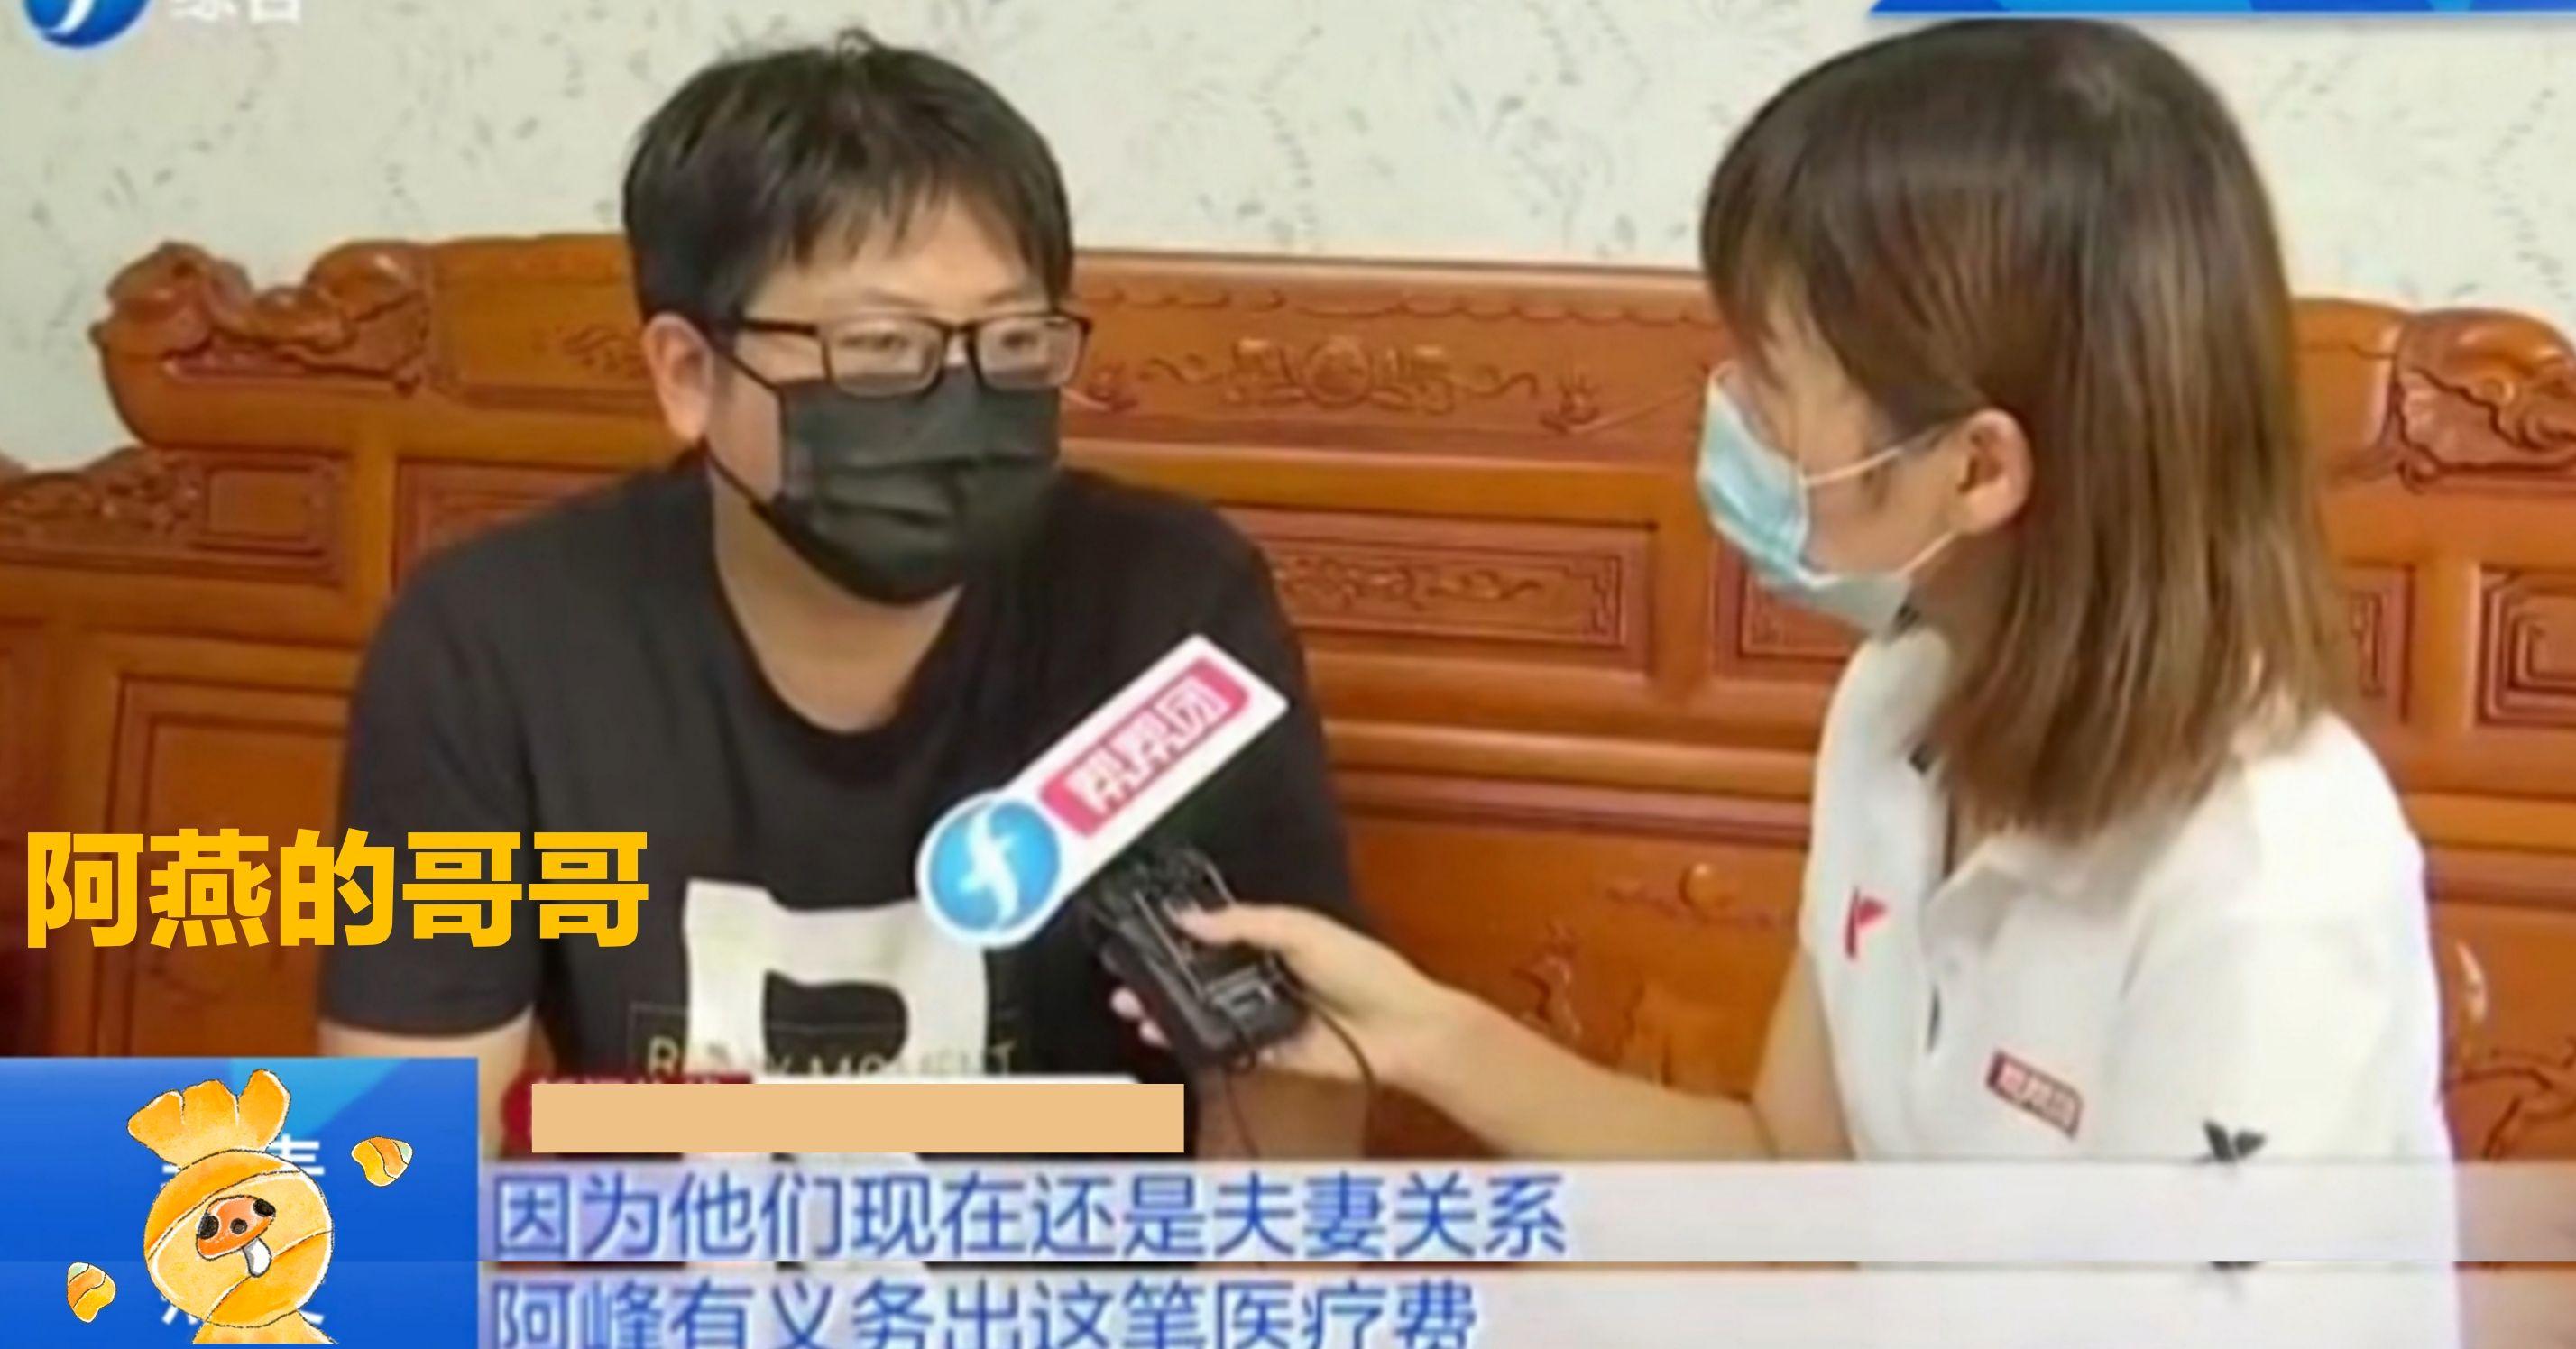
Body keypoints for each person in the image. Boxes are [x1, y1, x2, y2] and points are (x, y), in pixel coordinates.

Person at [1126, 19, 2452, 1170]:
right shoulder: (1900, 701)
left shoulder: (2269, 880)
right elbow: (1786, 1171)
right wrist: (1420, 1034)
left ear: (1977, 467)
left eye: (1770, 388)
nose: (1732, 425)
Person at [319, 29, 1364, 1158]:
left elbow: (1288, 1124)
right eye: (879, 347)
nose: (956, 404)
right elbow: (397, 1167)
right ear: (689, 373)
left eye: (1014, 341)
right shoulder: (492, 643)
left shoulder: (1169, 610)